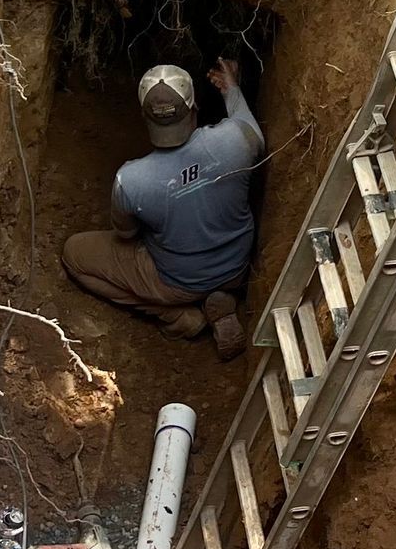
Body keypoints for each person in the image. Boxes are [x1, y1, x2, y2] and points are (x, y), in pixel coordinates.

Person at [63, 60, 262, 358]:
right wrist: (231, 87)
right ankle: (223, 297)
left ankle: (180, 317)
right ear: (194, 108)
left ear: (144, 116)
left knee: (74, 254)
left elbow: (126, 234)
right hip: (237, 267)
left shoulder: (130, 180)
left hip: (177, 283)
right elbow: (244, 119)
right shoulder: (238, 140)